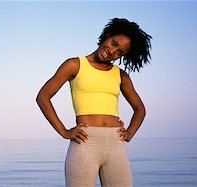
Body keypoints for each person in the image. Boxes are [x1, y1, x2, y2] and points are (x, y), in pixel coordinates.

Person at [36, 18, 152, 187]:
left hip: (115, 145)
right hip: (85, 143)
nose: (112, 51)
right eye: (113, 43)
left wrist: (130, 133)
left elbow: (139, 108)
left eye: (119, 52)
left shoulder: (121, 75)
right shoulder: (75, 65)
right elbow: (43, 96)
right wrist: (63, 131)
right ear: (107, 35)